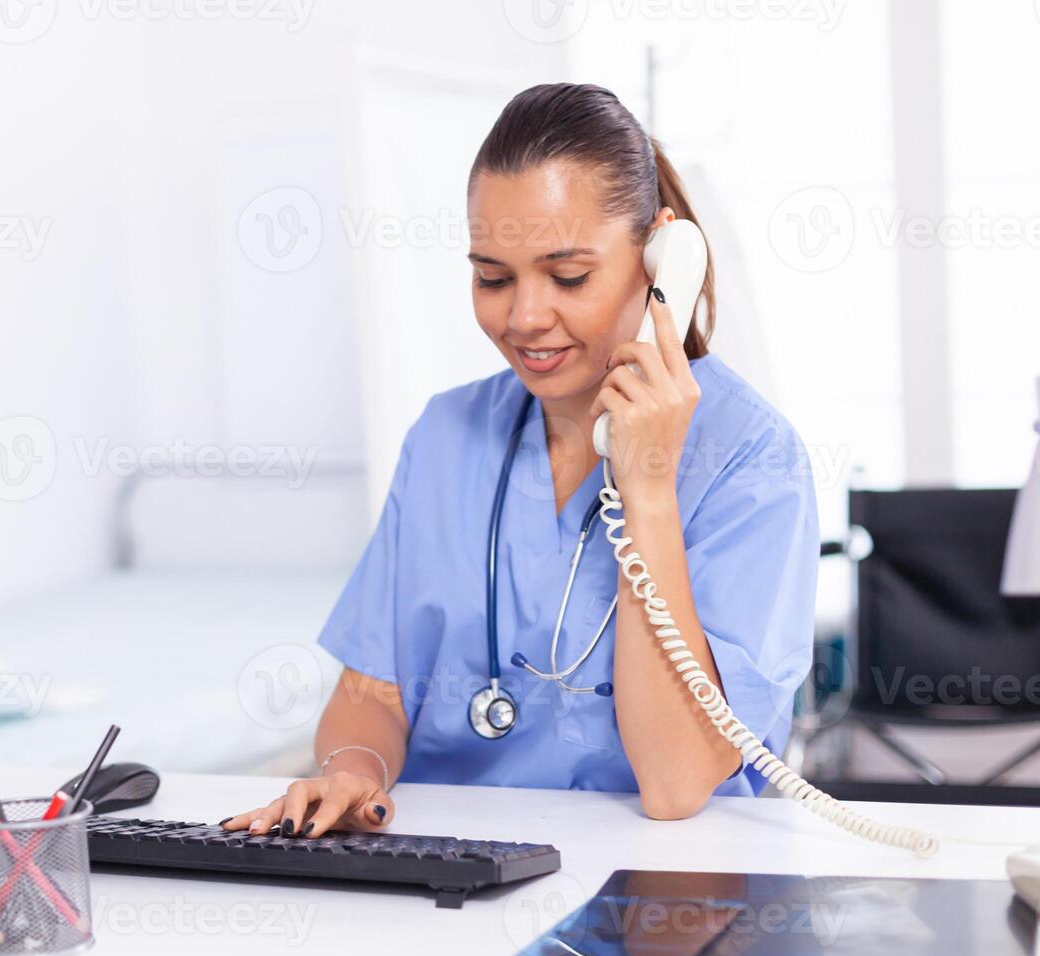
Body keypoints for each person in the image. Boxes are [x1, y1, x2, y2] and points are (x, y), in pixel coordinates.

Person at [222, 82, 818, 839]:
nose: (524, 318)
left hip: (661, 895)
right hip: (453, 881)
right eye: (492, 277)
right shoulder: (446, 436)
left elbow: (674, 786)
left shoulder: (754, 462)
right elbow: (374, 694)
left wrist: (649, 490)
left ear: (662, 257)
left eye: (568, 276)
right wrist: (353, 770)